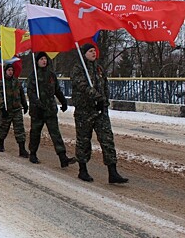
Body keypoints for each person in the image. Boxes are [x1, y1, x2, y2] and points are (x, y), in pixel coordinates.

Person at [71, 43, 128, 184]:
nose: (93, 53)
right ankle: (82, 170)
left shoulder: (99, 68)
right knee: (83, 140)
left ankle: (112, 172)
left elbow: (105, 85)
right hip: (85, 111)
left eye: (94, 51)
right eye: (90, 51)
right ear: (84, 53)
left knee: (107, 139)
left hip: (100, 110)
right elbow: (82, 86)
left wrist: (104, 102)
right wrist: (98, 98)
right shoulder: (78, 69)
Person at [27, 52, 76, 167]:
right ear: (37, 62)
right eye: (41, 59)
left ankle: (63, 157)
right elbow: (30, 92)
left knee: (55, 134)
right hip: (37, 110)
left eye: (45, 59)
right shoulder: (33, 75)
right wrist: (37, 102)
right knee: (35, 133)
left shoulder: (51, 75)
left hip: (50, 110)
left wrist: (63, 101)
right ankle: (32, 153)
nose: (44, 61)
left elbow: (57, 90)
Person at [0, 64, 29, 157]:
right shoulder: (2, 83)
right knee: (4, 128)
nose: (10, 72)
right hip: (7, 110)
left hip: (16, 109)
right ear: (5, 71)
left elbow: (21, 94)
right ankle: (1, 143)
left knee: (19, 129)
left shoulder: (16, 82)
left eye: (12, 70)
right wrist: (2, 107)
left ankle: (22, 149)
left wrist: (25, 104)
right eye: (9, 70)